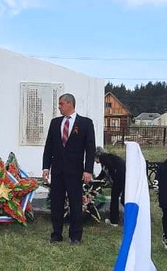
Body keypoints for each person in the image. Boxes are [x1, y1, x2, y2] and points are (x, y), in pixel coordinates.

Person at [42, 93, 96, 245]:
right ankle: (56, 234)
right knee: (56, 203)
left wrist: (88, 170)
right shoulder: (55, 123)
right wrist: (46, 167)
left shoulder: (85, 123)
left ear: (70, 103)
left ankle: (75, 235)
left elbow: (90, 148)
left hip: (75, 171)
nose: (59, 107)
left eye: (61, 104)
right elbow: (49, 146)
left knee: (75, 203)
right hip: (57, 170)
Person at [94, 146, 125, 227]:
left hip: (120, 178)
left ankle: (114, 221)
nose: (94, 161)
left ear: (96, 156)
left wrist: (113, 179)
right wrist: (94, 182)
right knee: (123, 199)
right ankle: (132, 217)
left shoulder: (103, 158)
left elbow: (111, 168)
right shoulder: (107, 159)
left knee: (115, 198)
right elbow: (102, 174)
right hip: (122, 178)